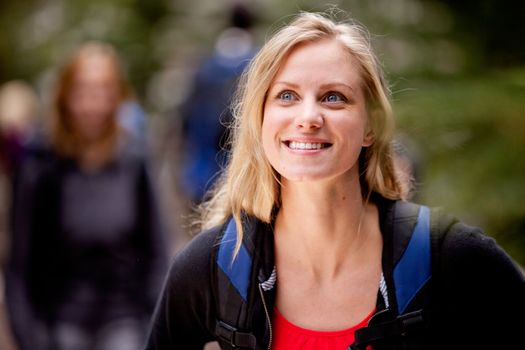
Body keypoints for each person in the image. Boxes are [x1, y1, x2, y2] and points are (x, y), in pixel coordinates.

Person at [143, 10, 525, 350]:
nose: (308, 117)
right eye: (287, 96)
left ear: (372, 126)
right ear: (260, 121)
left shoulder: (449, 257)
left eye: (333, 98)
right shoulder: (211, 267)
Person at [5, 41, 168, 350]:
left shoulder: (135, 159)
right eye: (82, 91)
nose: (92, 104)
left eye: (102, 91)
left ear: (117, 96)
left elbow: (157, 251)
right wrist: (27, 335)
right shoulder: (40, 164)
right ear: (64, 96)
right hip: (59, 320)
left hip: (125, 318)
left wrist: (154, 323)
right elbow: (19, 263)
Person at [179, 2, 258, 203]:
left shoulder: (206, 66)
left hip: (202, 171)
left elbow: (186, 117)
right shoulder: (257, 64)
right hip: (244, 170)